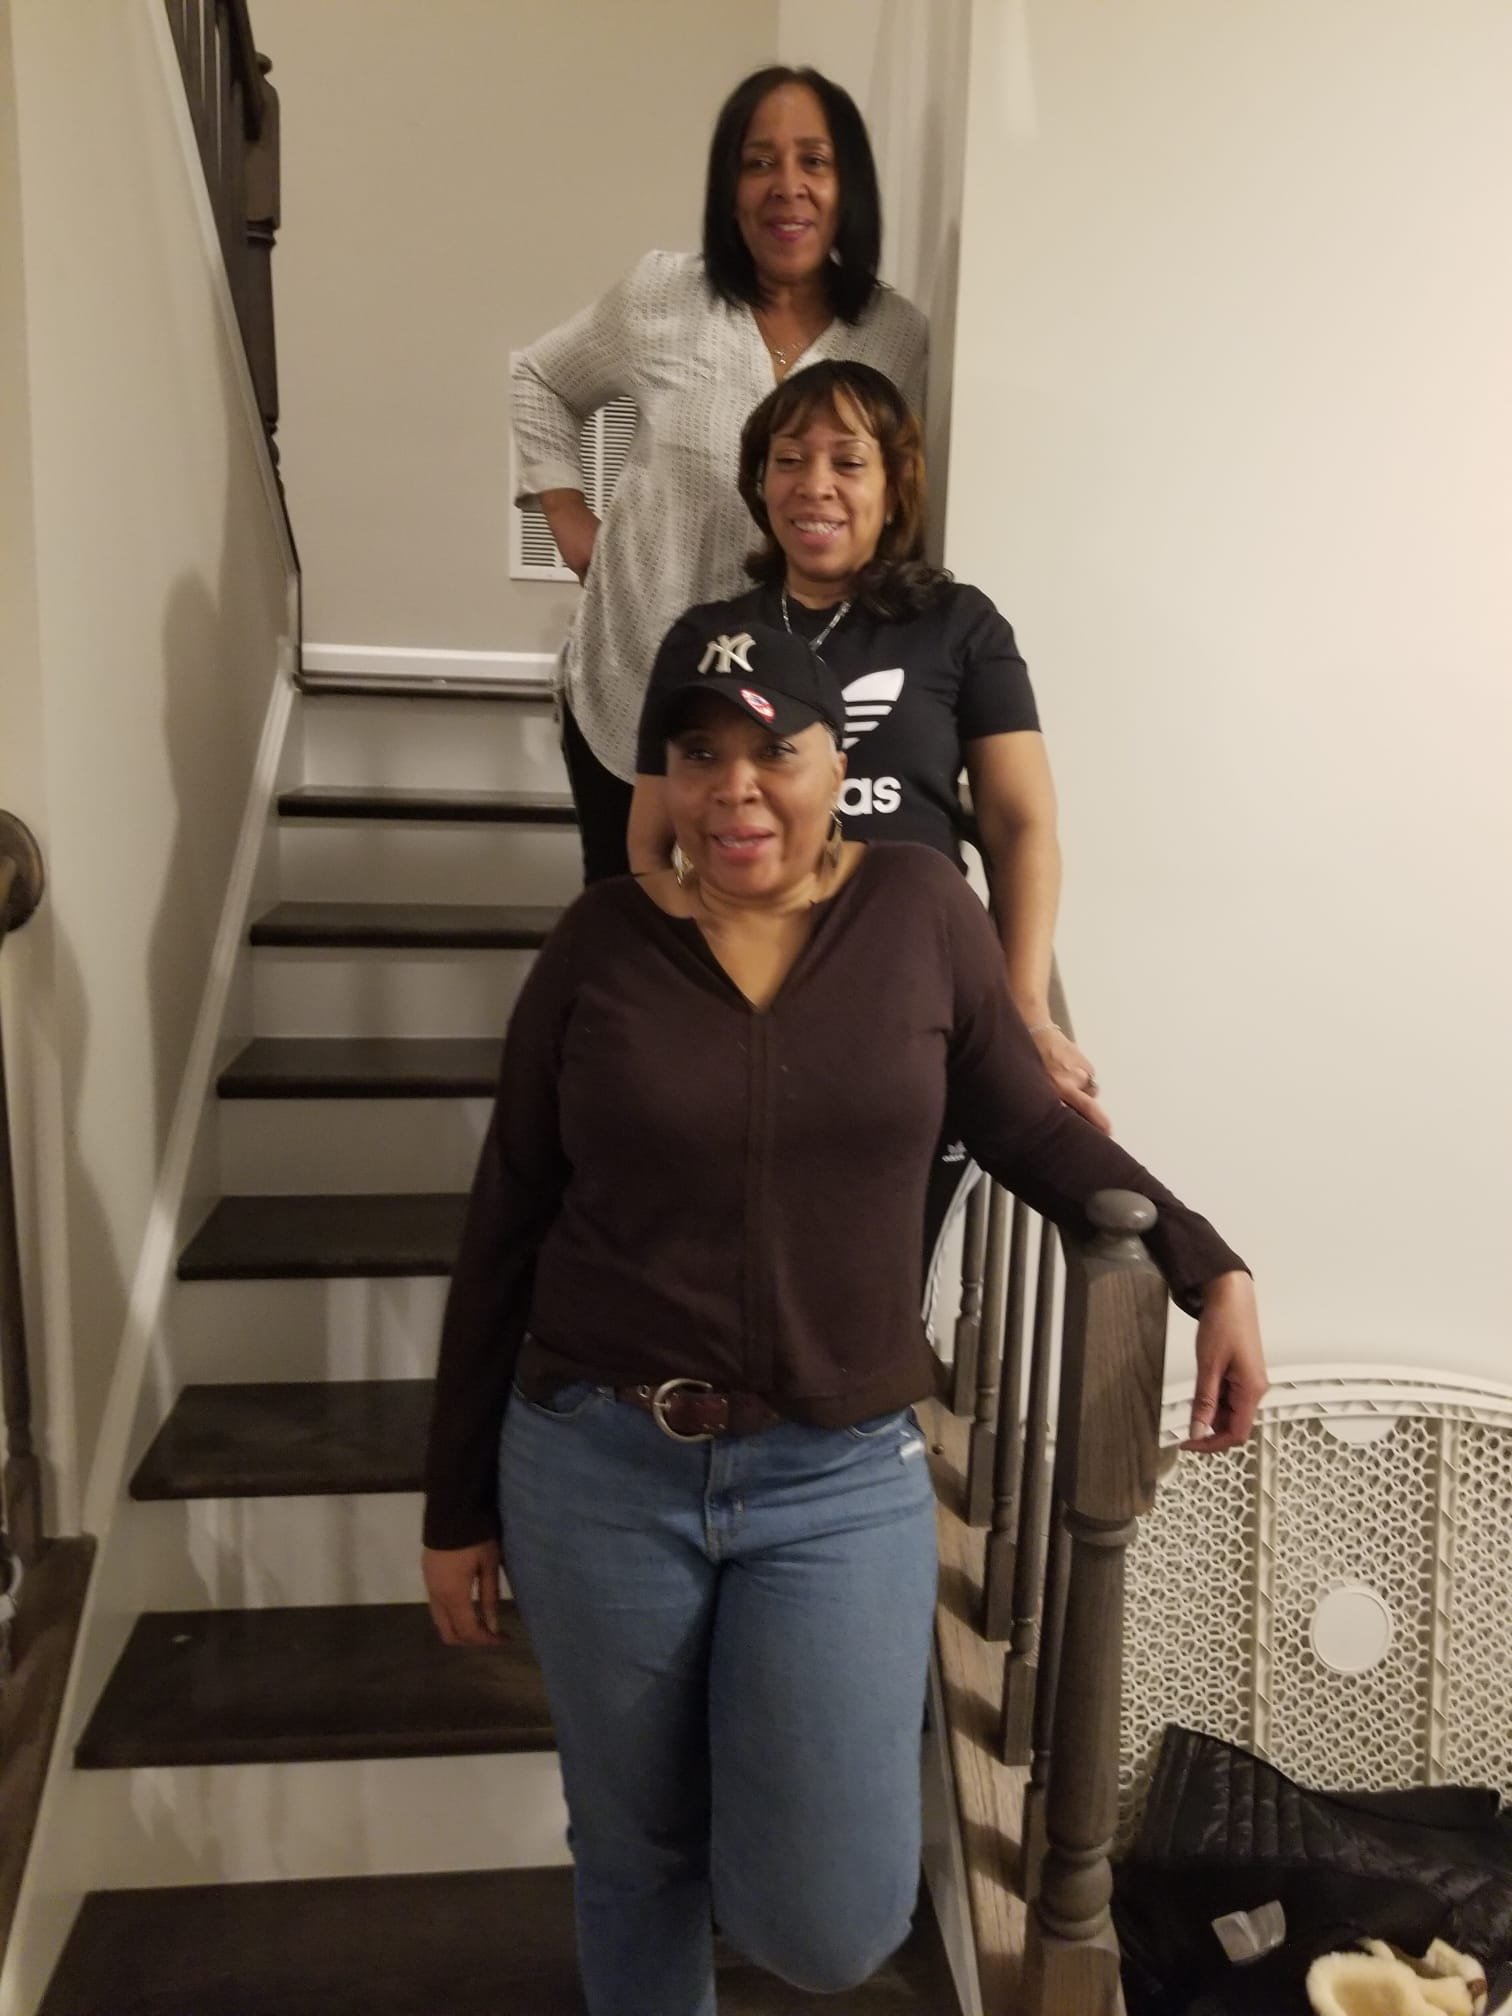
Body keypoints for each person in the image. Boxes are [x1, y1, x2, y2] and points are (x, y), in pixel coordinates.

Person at [421, 624, 1269, 2016]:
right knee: (632, 1853)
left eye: (776, 751)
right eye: (700, 754)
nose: (736, 789)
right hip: (594, 1464)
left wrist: (1203, 1261)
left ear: (838, 763)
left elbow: (1028, 1127)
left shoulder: (920, 910)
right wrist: (457, 1502)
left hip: (835, 1475)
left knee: (831, 1923)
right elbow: (505, 1215)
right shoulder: (600, 943)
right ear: (664, 777)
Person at [628, 358, 1103, 1297]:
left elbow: (1020, 827)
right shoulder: (703, 638)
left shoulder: (959, 625)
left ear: (894, 487)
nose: (815, 485)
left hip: (911, 999)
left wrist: (1022, 1012)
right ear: (759, 481)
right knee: (725, 1265)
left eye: (848, 461)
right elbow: (649, 844)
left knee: (874, 1279)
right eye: (789, 459)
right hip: (745, 997)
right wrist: (687, 981)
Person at [511, 66, 926, 884]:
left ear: (849, 185)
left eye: (814, 161)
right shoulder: (663, 295)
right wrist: (567, 517)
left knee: (762, 931)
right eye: (758, 162)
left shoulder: (897, 337)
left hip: (788, 713)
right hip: (632, 684)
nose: (787, 186)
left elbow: (895, 502)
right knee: (635, 921)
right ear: (729, 189)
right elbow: (540, 378)